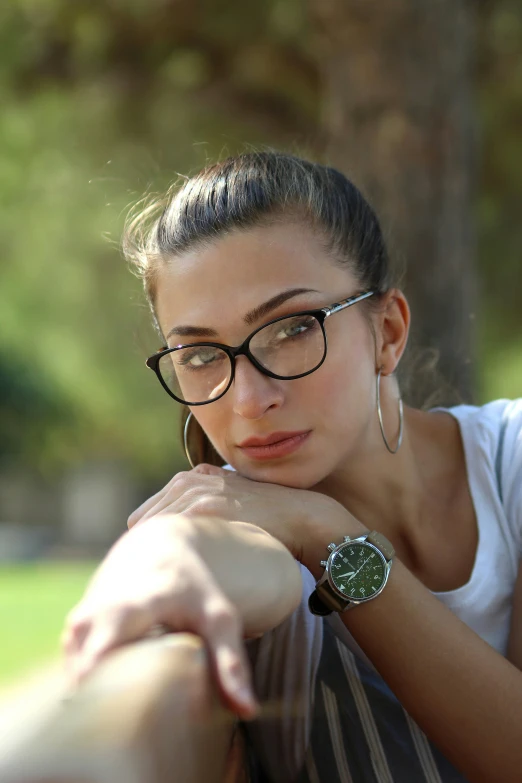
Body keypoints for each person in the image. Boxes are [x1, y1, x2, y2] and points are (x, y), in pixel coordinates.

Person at [61, 151, 522, 783]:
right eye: (199, 354)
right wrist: (147, 567)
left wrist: (331, 535)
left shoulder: (512, 459)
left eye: (292, 328)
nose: (249, 399)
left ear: (386, 331)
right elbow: (186, 552)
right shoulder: (241, 535)